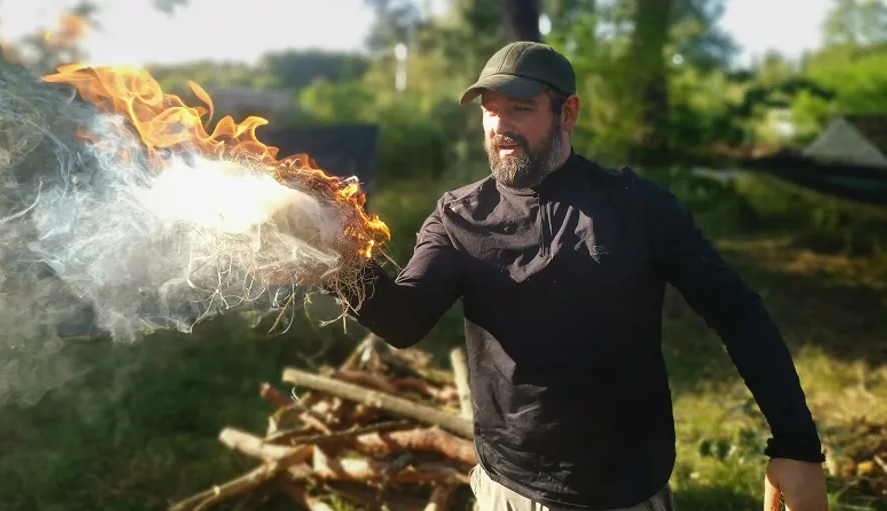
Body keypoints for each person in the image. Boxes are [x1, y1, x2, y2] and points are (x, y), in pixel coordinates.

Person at [335, 41, 829, 511]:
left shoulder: (638, 208)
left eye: (520, 109)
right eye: (490, 109)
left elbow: (737, 312)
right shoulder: (459, 217)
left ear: (567, 113)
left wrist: (797, 446)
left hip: (628, 491)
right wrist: (330, 254)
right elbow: (403, 319)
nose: (499, 125)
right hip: (511, 491)